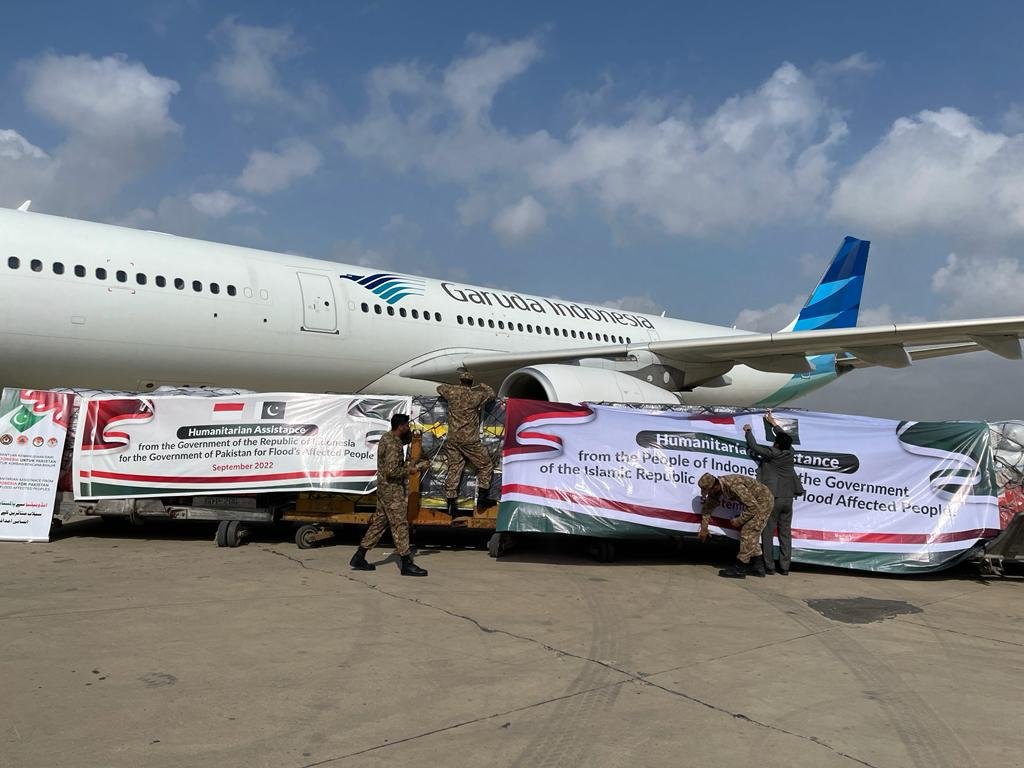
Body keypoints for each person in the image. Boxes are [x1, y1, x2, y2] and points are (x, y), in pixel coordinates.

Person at [349, 414, 430, 577]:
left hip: (384, 489)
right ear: (400, 426)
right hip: (392, 491)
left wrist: (412, 463)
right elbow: (392, 471)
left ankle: (359, 556)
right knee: (400, 525)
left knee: (379, 524)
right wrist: (412, 470)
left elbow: (392, 465)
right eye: (407, 425)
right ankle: (406, 563)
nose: (408, 428)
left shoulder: (387, 438)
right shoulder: (393, 444)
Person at [744, 410, 804, 575]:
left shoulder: (773, 453)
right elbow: (785, 437)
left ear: (776, 444)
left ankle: (769, 566)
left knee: (768, 531)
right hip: (788, 498)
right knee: (785, 533)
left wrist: (748, 431)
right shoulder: (790, 452)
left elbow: (754, 446)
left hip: (774, 497)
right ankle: (785, 567)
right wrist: (774, 423)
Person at [436, 371, 495, 516]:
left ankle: (451, 503)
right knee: (485, 465)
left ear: (461, 381)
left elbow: (439, 388)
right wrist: (482, 385)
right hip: (470, 440)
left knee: (455, 468)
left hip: (453, 438)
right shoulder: (476, 396)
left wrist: (455, 387)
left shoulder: (452, 392)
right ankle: (482, 499)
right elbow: (491, 394)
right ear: (471, 383)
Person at [697, 472, 774, 578]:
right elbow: (708, 508)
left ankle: (740, 568)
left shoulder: (733, 485)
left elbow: (753, 507)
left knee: (748, 531)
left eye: (709, 491)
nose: (709, 493)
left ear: (715, 486)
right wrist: (704, 528)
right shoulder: (716, 488)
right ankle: (758, 567)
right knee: (751, 536)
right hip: (755, 503)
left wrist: (738, 521)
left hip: (763, 501)